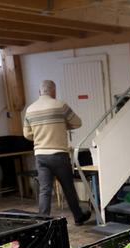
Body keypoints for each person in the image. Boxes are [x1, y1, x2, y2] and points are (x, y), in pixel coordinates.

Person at [23, 80, 92, 224]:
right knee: (68, 187)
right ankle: (78, 218)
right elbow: (77, 122)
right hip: (59, 155)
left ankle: (43, 221)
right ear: (54, 91)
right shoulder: (60, 105)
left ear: (39, 92)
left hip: (40, 155)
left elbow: (27, 135)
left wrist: (40, 132)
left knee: (45, 190)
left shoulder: (30, 109)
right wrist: (61, 126)